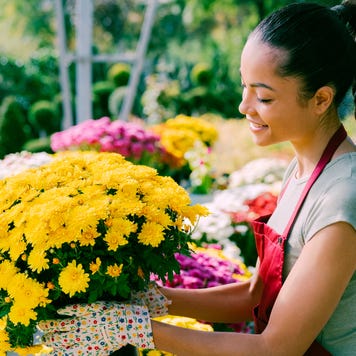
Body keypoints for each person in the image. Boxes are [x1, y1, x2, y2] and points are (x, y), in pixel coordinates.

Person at [40, 1, 356, 355]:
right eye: (244, 86)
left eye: (264, 96)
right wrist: (154, 301)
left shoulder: (342, 201)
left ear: (321, 99)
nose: (244, 105)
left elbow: (276, 348)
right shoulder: (302, 170)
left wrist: (134, 329)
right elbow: (256, 295)